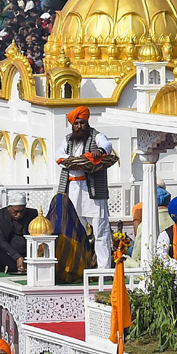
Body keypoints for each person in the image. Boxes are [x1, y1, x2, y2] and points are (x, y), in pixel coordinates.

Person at [55, 106, 116, 267]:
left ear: (87, 122)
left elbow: (107, 146)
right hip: (73, 190)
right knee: (77, 231)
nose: (79, 126)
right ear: (72, 125)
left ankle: (104, 269)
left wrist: (99, 151)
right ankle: (80, 267)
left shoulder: (97, 136)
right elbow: (59, 155)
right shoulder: (68, 139)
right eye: (76, 123)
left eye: (82, 123)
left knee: (101, 231)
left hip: (93, 192)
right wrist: (76, 159)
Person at [0, 192, 37, 274]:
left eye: (22, 211)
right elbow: (0, 240)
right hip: (8, 253)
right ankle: (15, 267)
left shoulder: (32, 214)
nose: (19, 214)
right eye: (15, 211)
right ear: (9, 208)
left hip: (27, 251)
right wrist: (17, 257)